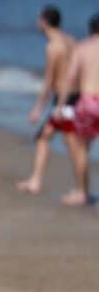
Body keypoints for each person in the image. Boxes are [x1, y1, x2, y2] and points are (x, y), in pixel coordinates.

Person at [18, 6, 75, 196]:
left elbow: (49, 83)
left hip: (63, 101)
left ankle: (37, 182)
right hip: (75, 96)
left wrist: (37, 109)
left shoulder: (52, 47)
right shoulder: (70, 40)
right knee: (57, 138)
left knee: (50, 139)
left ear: (43, 21)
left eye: (38, 20)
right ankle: (37, 180)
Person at [56, 12, 99, 206]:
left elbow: (70, 79)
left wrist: (60, 105)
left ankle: (82, 192)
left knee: (82, 149)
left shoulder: (82, 48)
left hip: (89, 102)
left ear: (90, 29)